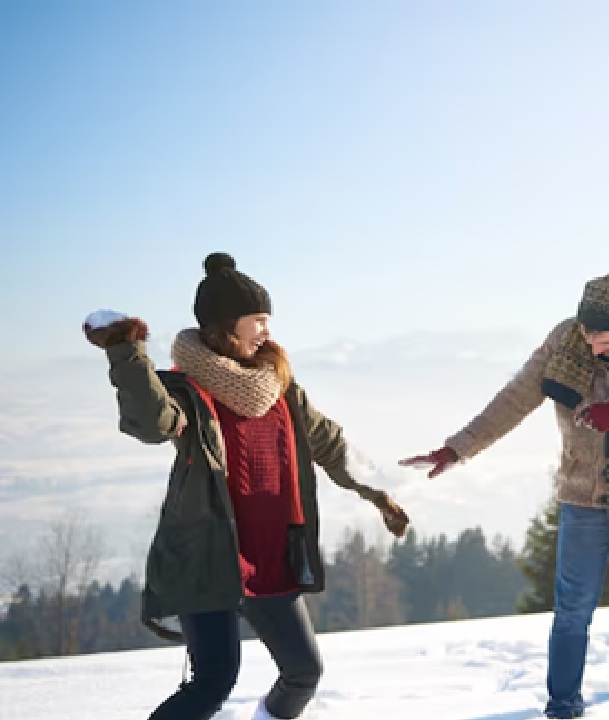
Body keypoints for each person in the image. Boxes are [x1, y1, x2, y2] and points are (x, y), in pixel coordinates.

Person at [83, 253, 410, 720]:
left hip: (271, 558)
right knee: (213, 684)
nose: (266, 331)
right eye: (256, 320)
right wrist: (125, 351)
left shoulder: (279, 388)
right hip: (210, 561)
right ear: (224, 327)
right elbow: (152, 422)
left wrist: (377, 493)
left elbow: (330, 444)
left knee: (304, 672)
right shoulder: (188, 391)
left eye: (267, 320)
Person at [399, 267, 609, 719]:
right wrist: (458, 448)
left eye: (605, 340)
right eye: (588, 336)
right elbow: (515, 398)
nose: (592, 348)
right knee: (572, 610)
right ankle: (563, 705)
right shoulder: (565, 338)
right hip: (582, 492)